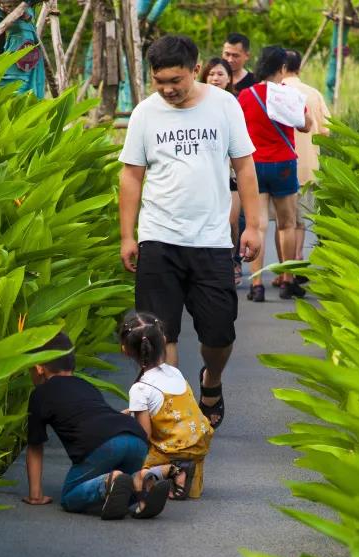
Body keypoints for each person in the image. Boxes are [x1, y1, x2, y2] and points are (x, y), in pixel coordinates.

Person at [118, 34, 263, 430]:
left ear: (195, 70)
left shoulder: (224, 105)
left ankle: (210, 381)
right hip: (159, 237)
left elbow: (245, 166)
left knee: (218, 334)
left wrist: (254, 225)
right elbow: (132, 176)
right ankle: (172, 416)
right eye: (160, 81)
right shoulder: (146, 113)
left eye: (176, 81)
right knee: (157, 334)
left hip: (212, 240)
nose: (168, 89)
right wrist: (128, 236)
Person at [23, 332, 171, 520]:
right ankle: (141, 480)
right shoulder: (85, 385)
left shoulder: (40, 394)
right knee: (123, 491)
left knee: (70, 497)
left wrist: (35, 496)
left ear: (39, 368)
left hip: (103, 445)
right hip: (135, 438)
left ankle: (109, 482)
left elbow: (35, 447)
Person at [236, 45, 311, 303]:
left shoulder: (245, 95)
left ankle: (257, 284)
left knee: (258, 225)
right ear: (281, 68)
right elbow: (306, 126)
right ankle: (287, 280)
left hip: (254, 164)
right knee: (287, 223)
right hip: (284, 165)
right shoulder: (288, 95)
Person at [120, 311, 212, 500]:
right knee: (192, 488)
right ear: (163, 340)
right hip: (198, 443)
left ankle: (170, 471)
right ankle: (182, 475)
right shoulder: (174, 372)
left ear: (125, 350)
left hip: (172, 449)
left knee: (129, 474)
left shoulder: (140, 389)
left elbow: (144, 435)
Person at [282, 49, 331, 266]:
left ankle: (284, 266)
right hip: (307, 166)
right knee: (300, 220)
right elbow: (325, 131)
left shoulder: (273, 92)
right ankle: (298, 257)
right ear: (299, 67)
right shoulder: (313, 94)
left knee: (283, 223)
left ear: (280, 67)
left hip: (278, 164)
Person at [200, 57, 243, 286]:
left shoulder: (233, 104)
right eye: (211, 74)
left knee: (231, 221)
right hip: (205, 175)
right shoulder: (194, 103)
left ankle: (231, 261)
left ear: (229, 79)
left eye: (220, 74)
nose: (215, 78)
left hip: (231, 174)